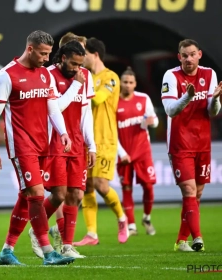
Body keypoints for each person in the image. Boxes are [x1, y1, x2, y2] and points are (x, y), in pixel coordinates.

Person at [0, 30, 76, 266]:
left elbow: (53, 108)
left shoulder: (45, 75)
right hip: (21, 144)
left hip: (42, 144)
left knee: (26, 195)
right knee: (36, 194)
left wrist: (63, 132)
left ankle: (7, 251)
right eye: (43, 54)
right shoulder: (7, 75)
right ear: (30, 49)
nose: (47, 59)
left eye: (49, 54)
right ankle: (48, 253)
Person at [28, 39, 96, 259]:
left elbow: (86, 113)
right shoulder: (47, 75)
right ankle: (36, 230)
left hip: (77, 142)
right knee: (59, 194)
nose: (78, 69)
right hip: (55, 141)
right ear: (63, 58)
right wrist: (76, 84)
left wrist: (91, 144)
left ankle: (67, 246)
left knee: (76, 194)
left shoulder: (85, 76)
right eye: (74, 64)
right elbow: (55, 108)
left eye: (80, 64)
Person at [161, 39, 222, 252]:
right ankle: (197, 237)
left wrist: (215, 99)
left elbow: (212, 111)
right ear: (179, 57)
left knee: (196, 194)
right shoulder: (171, 76)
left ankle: (181, 241)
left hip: (202, 142)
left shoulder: (209, 74)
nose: (188, 59)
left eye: (192, 54)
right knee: (188, 190)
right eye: (184, 55)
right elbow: (170, 110)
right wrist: (187, 97)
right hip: (180, 143)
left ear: (199, 54)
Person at [74, 37, 129, 246]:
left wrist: (78, 87)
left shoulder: (111, 77)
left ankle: (122, 218)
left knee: (101, 185)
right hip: (86, 141)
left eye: (84, 54)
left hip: (106, 140)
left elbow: (96, 99)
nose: (81, 58)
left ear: (94, 54)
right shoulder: (86, 76)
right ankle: (91, 234)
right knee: (87, 186)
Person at [117, 66, 159, 236]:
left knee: (148, 186)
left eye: (131, 82)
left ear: (135, 84)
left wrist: (150, 121)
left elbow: (155, 121)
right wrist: (121, 153)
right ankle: (132, 225)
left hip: (142, 150)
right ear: (120, 83)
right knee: (126, 188)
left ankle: (147, 218)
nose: (127, 85)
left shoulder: (143, 99)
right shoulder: (113, 102)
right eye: (125, 82)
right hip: (124, 153)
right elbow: (112, 132)